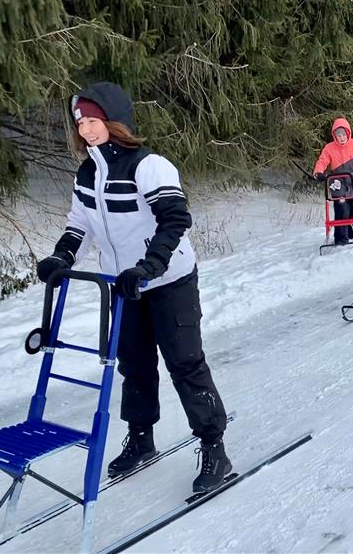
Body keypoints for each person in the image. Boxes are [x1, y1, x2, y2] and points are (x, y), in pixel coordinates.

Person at [36, 82, 231, 493]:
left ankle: (214, 447)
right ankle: (141, 439)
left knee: (185, 364)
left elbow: (175, 219)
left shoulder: (149, 166)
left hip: (169, 280)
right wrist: (62, 258)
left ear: (114, 120)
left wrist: (150, 265)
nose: (87, 129)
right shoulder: (87, 172)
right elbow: (80, 225)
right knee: (134, 366)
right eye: (82, 122)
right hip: (122, 284)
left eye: (94, 120)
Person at [312, 117, 353, 245]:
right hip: (339, 185)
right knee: (341, 209)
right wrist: (318, 172)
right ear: (334, 135)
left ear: (348, 133)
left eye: (344, 134)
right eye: (338, 135)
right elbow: (322, 161)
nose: (342, 137)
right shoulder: (329, 148)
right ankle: (340, 238)